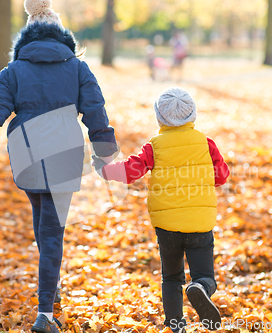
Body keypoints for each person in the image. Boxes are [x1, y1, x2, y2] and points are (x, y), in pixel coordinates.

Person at [0, 0, 117, 332]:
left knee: (43, 225)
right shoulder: (77, 68)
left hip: (26, 155)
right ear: (61, 34)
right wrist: (106, 154)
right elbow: (95, 111)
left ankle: (52, 287)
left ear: (27, 36)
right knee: (52, 233)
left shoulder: (15, 70)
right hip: (64, 155)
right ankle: (45, 312)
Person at [92, 88, 230, 332]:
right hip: (199, 223)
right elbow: (221, 177)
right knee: (205, 275)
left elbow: (130, 171)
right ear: (193, 116)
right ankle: (201, 287)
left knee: (172, 277)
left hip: (167, 226)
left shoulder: (155, 146)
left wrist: (105, 169)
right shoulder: (206, 144)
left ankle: (176, 324)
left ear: (160, 119)